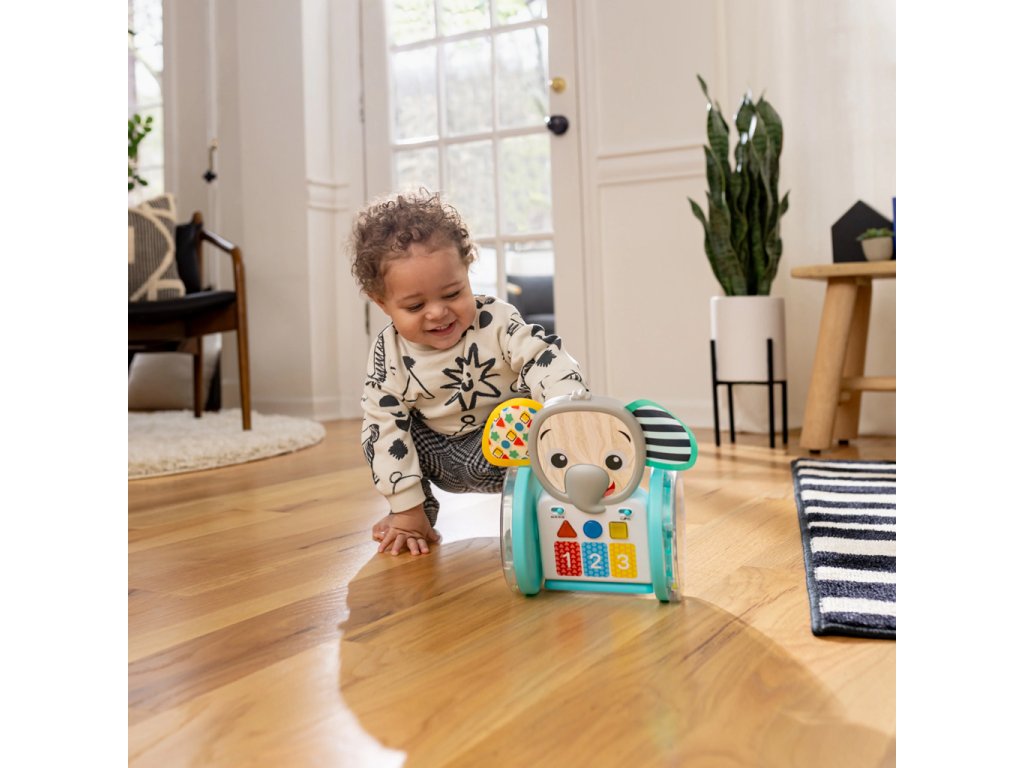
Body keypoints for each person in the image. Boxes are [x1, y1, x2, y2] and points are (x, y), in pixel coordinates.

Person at [349, 190, 588, 556]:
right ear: (382, 303)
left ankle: (547, 507)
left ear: (467, 270)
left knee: (539, 422)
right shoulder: (388, 354)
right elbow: (384, 428)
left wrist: (565, 407)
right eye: (415, 305)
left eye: (452, 293)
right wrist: (405, 505)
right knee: (379, 429)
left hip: (506, 448)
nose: (437, 312)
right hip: (437, 455)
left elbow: (543, 355)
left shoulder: (496, 320)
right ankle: (415, 516)